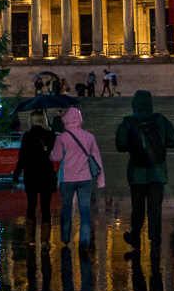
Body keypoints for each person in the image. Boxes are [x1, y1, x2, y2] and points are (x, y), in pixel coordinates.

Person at [115, 90, 174, 256]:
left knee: (137, 207)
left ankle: (135, 238)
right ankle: (155, 243)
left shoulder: (128, 121)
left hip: (137, 171)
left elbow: (120, 145)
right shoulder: (160, 120)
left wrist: (135, 144)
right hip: (157, 172)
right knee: (154, 208)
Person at [50, 106, 105, 251]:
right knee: (85, 209)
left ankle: (65, 237)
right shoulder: (89, 137)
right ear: (80, 119)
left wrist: (50, 155)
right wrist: (100, 180)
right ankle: (84, 240)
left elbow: (56, 157)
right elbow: (97, 159)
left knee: (66, 208)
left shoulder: (62, 137)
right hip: (85, 178)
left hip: (67, 179)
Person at [13, 110, 57, 248]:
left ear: (31, 120)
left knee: (31, 205)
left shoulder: (27, 136)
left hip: (31, 174)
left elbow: (22, 156)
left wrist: (17, 173)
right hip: (46, 173)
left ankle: (29, 238)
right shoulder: (51, 135)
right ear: (44, 120)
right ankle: (45, 241)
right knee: (46, 207)